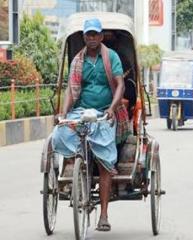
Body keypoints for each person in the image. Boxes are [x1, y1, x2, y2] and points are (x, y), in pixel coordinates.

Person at [52, 18, 129, 232]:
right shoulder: (78, 60)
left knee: (105, 164)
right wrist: (64, 112)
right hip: (82, 111)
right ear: (84, 37)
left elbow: (120, 84)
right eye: (88, 35)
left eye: (95, 34)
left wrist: (112, 108)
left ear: (101, 36)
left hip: (106, 111)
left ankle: (103, 215)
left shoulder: (110, 57)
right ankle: (76, 170)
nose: (92, 38)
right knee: (61, 132)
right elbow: (72, 89)